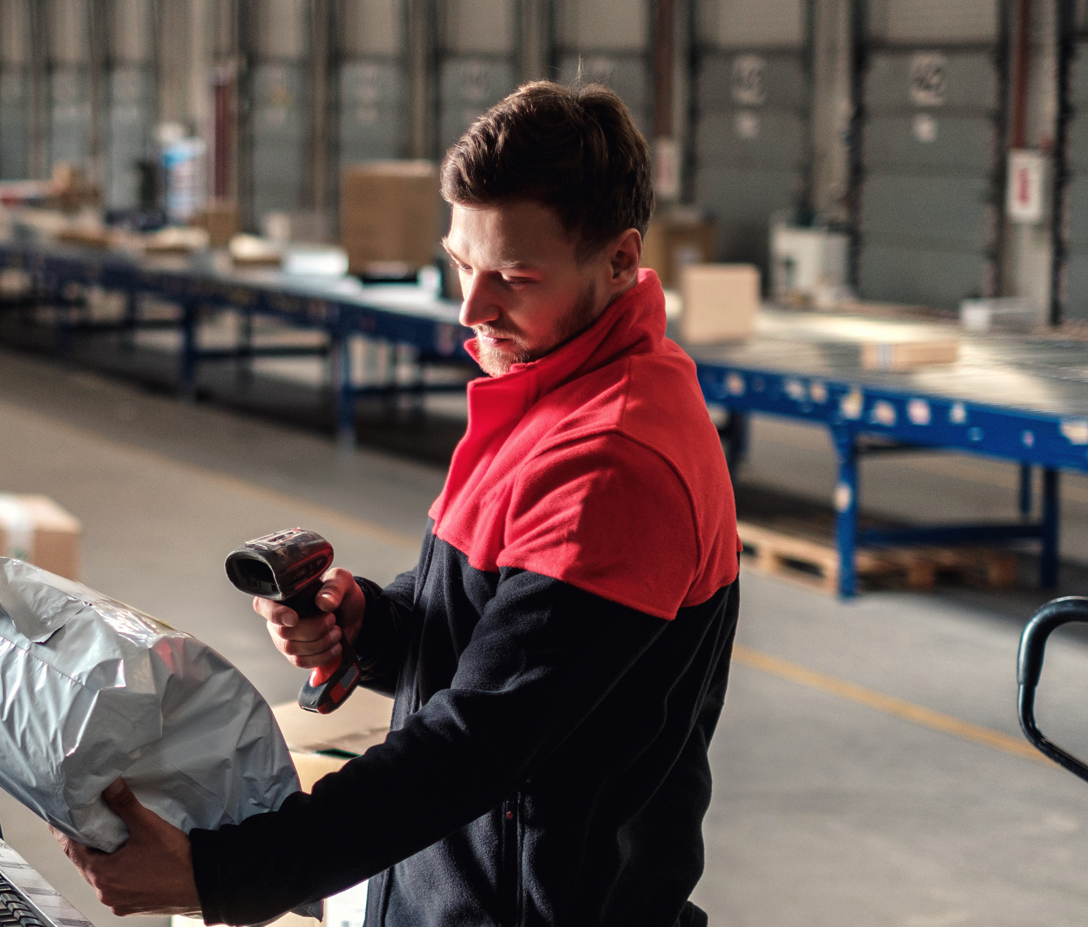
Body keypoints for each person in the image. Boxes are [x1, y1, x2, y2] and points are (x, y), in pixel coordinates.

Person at [56, 81, 741, 926]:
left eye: (514, 278)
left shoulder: (615, 461)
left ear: (619, 259)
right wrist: (372, 627)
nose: (472, 308)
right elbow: (500, 633)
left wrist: (222, 873)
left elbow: (478, 746)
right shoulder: (543, 393)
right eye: (461, 263)